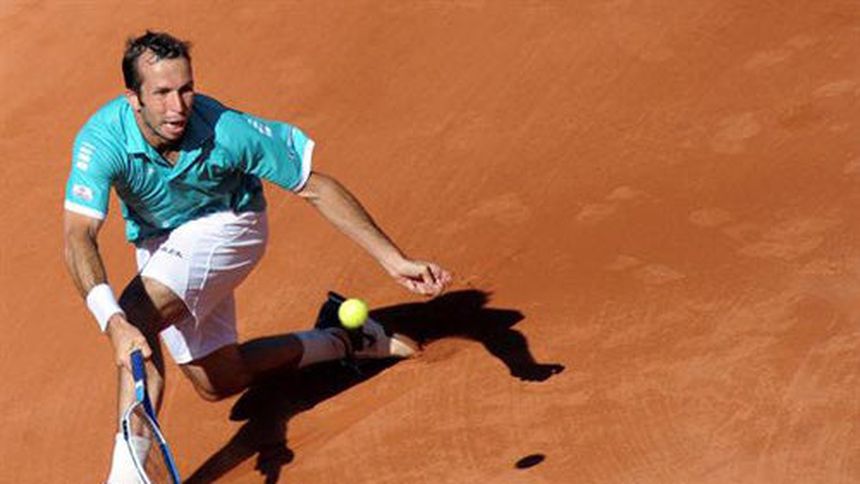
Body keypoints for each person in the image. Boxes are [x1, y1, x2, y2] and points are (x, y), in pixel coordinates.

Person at [63, 30, 451, 482]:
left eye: (186, 89)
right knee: (218, 381)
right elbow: (78, 236)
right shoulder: (103, 139)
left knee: (138, 314)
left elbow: (316, 187)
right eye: (162, 93)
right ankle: (342, 339)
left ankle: (125, 478)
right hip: (160, 243)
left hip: (230, 225)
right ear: (133, 98)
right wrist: (111, 323)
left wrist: (394, 260)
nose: (178, 107)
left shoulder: (226, 130)